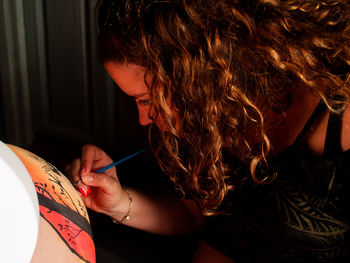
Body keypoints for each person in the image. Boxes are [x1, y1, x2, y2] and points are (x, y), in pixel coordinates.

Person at [65, 0, 350, 262]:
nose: (143, 119)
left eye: (146, 99)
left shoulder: (338, 115)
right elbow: (191, 216)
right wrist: (117, 202)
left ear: (200, 76)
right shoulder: (200, 117)